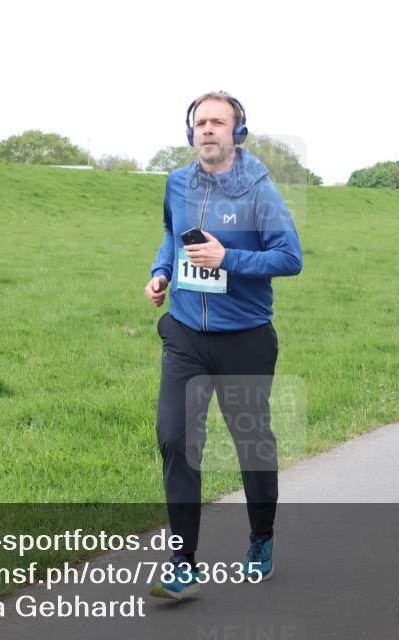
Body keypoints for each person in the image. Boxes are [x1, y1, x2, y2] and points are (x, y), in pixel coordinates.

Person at [144, 91, 302, 599]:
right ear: (190, 132)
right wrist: (162, 271)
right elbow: (172, 235)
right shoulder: (176, 182)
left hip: (245, 340)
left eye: (218, 122)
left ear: (237, 131)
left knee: (251, 445)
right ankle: (181, 560)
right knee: (175, 438)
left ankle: (260, 539)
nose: (207, 129)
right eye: (200, 123)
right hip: (186, 335)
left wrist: (227, 257)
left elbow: (289, 257)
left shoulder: (259, 190)